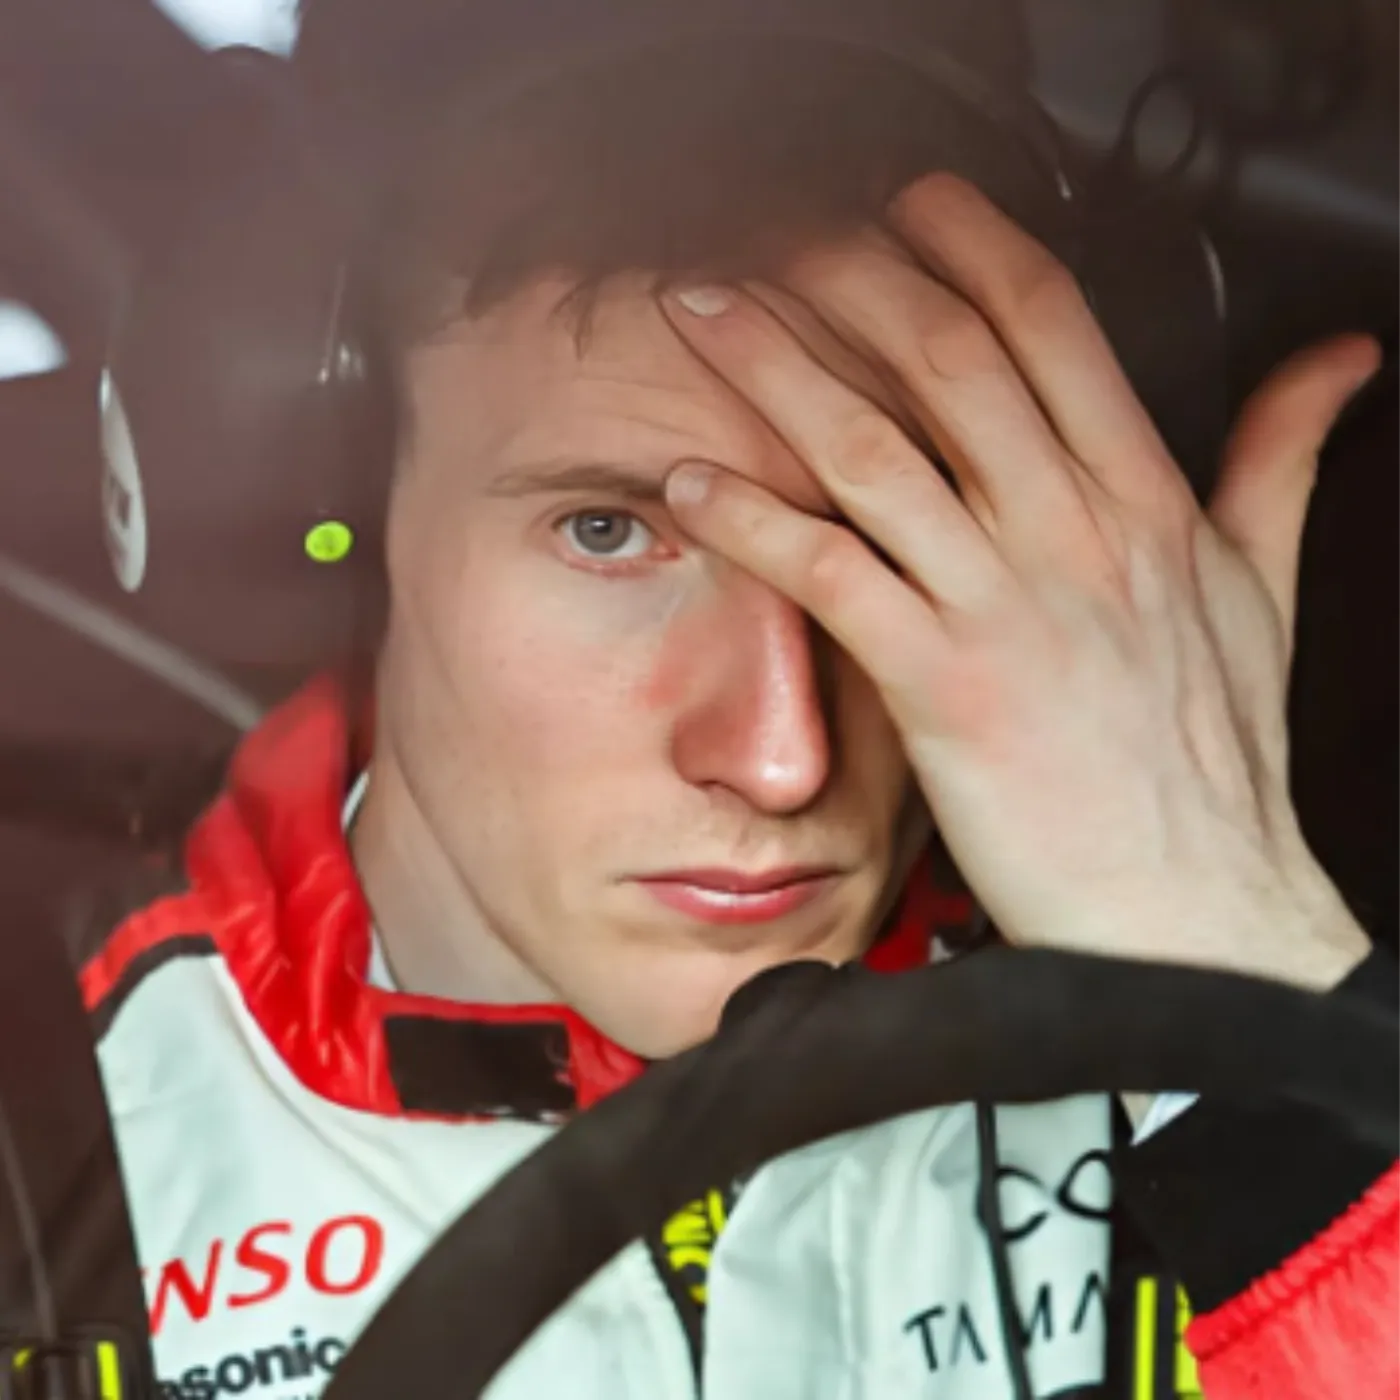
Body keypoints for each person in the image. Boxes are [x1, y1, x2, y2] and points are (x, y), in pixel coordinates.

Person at [80, 6, 1397, 1398]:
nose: (783, 758)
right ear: (338, 507)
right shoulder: (49, 1123)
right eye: (605, 533)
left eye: (892, 531)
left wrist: (1241, 1010)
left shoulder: (1304, 993)